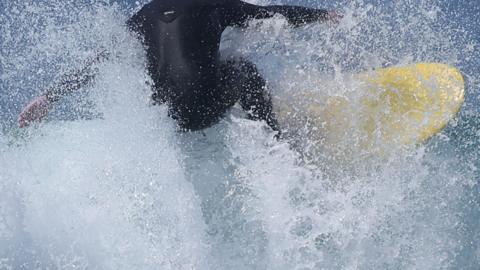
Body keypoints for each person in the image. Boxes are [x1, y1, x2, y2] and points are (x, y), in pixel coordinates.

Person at [18, 0, 341, 132]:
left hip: (169, 118)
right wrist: (323, 16)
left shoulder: (143, 14)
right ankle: (277, 139)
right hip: (203, 111)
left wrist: (49, 97)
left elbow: (100, 60)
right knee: (242, 69)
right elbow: (272, 15)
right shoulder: (216, 4)